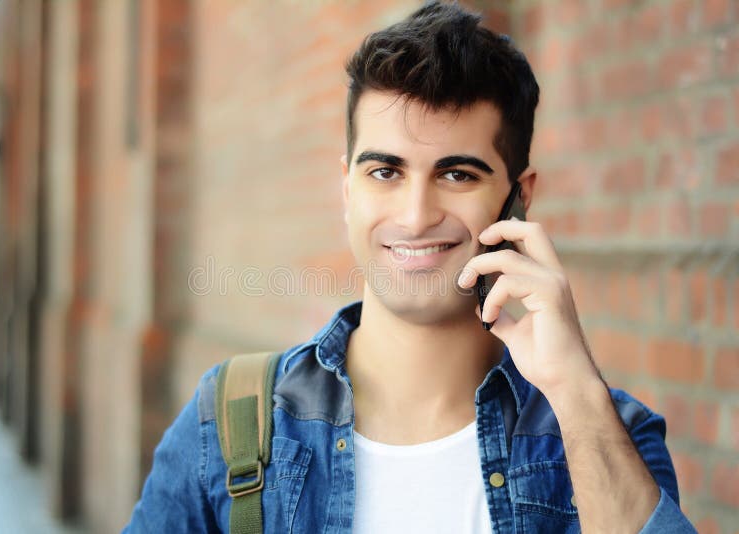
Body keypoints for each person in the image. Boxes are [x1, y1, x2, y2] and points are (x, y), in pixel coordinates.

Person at [124, 2, 695, 532]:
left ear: (519, 199)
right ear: (347, 188)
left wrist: (573, 388)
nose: (416, 216)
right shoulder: (228, 425)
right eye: (385, 172)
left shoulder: (606, 436)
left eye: (457, 174)